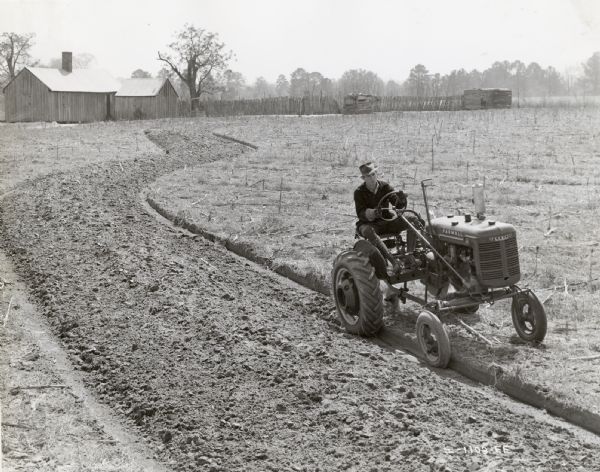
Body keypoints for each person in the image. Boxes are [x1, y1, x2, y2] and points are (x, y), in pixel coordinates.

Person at [354, 162, 418, 273]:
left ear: (376, 173)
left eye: (373, 174)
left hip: (387, 221)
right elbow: (360, 213)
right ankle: (393, 262)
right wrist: (372, 213)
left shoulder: (385, 187)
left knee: (412, 218)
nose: (372, 178)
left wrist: (401, 199)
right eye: (368, 176)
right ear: (363, 178)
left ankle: (410, 255)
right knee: (368, 231)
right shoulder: (359, 192)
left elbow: (397, 205)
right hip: (370, 224)